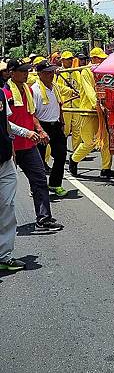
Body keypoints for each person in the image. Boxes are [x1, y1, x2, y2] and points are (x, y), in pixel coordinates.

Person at [3, 59, 62, 232]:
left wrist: (40, 130)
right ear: (12, 73)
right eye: (22, 71)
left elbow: (32, 114)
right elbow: (5, 123)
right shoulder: (5, 94)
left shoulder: (28, 90)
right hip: (11, 148)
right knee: (6, 189)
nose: (26, 73)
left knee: (39, 181)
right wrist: (25, 132)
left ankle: (43, 219)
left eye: (27, 70)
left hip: (28, 145)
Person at [69, 48, 114, 178]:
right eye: (100, 58)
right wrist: (97, 103)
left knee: (106, 141)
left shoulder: (103, 71)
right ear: (94, 59)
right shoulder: (86, 72)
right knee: (89, 142)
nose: (102, 61)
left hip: (103, 110)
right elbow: (89, 91)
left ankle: (106, 169)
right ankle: (74, 159)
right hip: (88, 111)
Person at [31, 60, 68, 197]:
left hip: (56, 125)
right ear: (39, 74)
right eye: (47, 72)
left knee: (61, 155)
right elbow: (32, 113)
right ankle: (37, 187)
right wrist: (40, 131)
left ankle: (55, 184)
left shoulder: (55, 87)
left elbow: (59, 105)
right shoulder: (35, 90)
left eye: (52, 71)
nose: (51, 75)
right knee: (39, 160)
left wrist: (62, 122)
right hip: (41, 126)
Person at [0, 87, 25, 271]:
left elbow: (6, 123)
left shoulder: (0, 93)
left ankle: (3, 255)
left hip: (4, 159)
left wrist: (12, 149)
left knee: (7, 208)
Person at [56, 50, 82, 151]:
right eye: (68, 59)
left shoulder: (76, 72)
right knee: (65, 131)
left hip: (76, 104)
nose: (70, 61)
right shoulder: (58, 73)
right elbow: (56, 88)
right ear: (62, 60)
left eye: (71, 59)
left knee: (77, 130)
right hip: (65, 105)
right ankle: (62, 150)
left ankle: (76, 152)